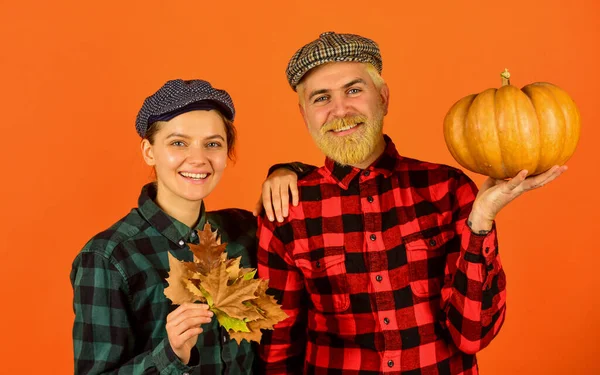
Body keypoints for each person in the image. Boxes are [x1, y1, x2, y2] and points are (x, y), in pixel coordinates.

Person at [257, 32, 567, 374]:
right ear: (305, 116)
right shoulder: (287, 209)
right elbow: (278, 346)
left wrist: (481, 219)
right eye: (321, 98)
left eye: (354, 90)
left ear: (384, 98)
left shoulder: (447, 190)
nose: (340, 109)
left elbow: (472, 336)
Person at [70, 79, 312, 374]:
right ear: (149, 151)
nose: (198, 159)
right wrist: (170, 355)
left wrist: (287, 171)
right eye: (178, 143)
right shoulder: (109, 257)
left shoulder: (244, 230)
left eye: (212, 144)